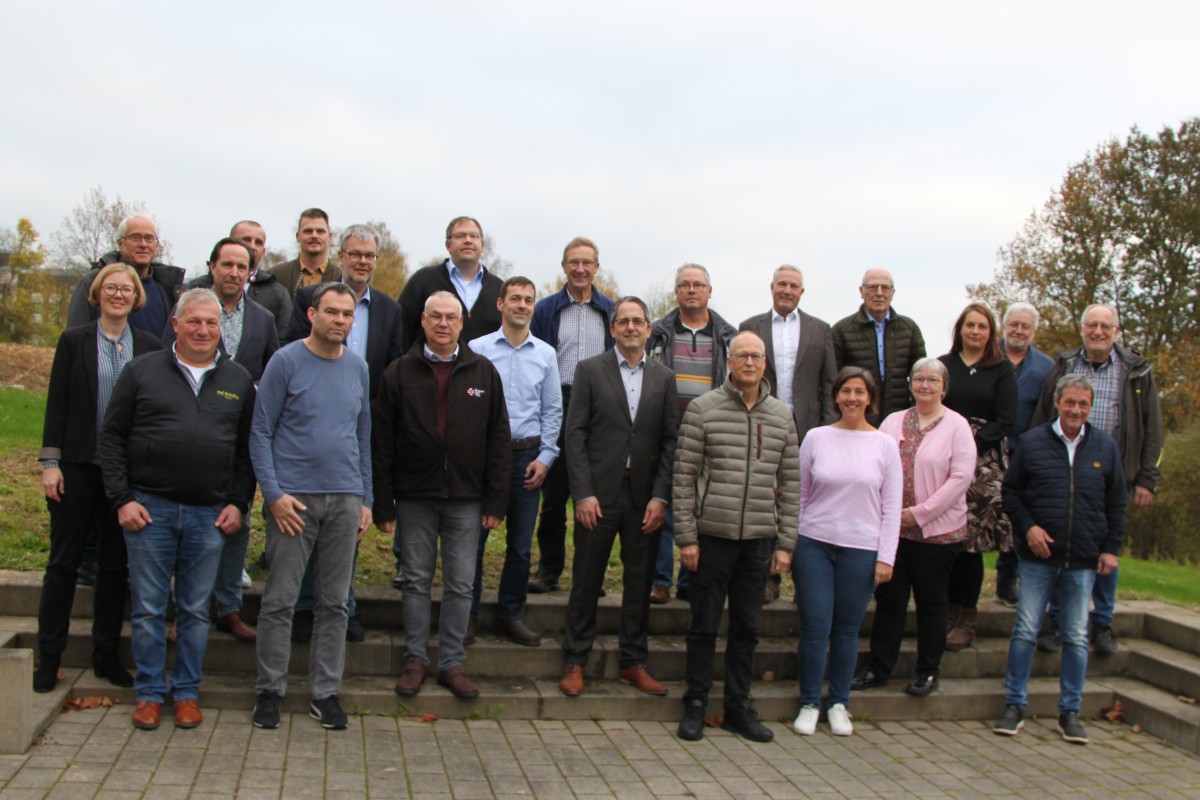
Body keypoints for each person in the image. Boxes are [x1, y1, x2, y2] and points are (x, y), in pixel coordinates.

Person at [98, 289, 256, 731]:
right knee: (149, 607)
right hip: (150, 510)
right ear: (176, 324)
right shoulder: (142, 371)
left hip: (210, 515)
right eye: (194, 322)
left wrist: (238, 503)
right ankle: (149, 693)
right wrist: (122, 499)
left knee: (194, 608)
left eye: (211, 323)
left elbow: (247, 452)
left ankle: (186, 693)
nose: (204, 330)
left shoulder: (238, 379)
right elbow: (110, 438)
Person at [250, 283, 373, 731]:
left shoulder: (358, 368)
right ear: (311, 314)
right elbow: (260, 432)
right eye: (331, 312)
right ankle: (270, 689)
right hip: (293, 501)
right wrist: (274, 494)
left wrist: (366, 498)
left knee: (334, 603)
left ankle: (325, 692)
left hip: (344, 498)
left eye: (347, 314)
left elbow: (363, 436)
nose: (339, 320)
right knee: (280, 600)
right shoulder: (285, 362)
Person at [375, 292, 510, 700]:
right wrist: (383, 502)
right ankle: (415, 660)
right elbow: (381, 442)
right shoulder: (398, 372)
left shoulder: (483, 373)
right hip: (414, 495)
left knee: (461, 583)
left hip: (467, 498)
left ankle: (451, 663)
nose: (443, 324)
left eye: (451, 317)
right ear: (423, 319)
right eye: (435, 316)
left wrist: (495, 501)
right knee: (415, 580)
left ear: (462, 322)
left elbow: (498, 440)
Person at [34, 264, 162, 693]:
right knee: (63, 562)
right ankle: (48, 658)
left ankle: (105, 655)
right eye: (111, 287)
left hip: (121, 473)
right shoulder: (74, 342)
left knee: (114, 565)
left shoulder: (148, 346)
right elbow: (57, 404)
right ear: (97, 292)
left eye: (127, 289)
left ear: (136, 297)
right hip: (75, 467)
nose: (118, 294)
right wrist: (50, 463)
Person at [279, 224, 405, 642]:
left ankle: (342, 605)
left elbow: (391, 370)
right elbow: (292, 351)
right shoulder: (309, 299)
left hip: (359, 424)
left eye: (370, 256)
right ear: (342, 255)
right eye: (355, 254)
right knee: (304, 522)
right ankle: (300, 607)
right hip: (309, 426)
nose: (362, 262)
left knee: (347, 526)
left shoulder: (389, 310)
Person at [672, 331, 799, 743]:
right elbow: (684, 476)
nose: (749, 362)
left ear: (765, 363)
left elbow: (792, 483)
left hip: (759, 539)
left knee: (746, 627)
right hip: (711, 537)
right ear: (728, 361)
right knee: (704, 624)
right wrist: (687, 537)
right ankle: (695, 703)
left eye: (756, 356)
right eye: (741, 355)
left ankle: (738, 707)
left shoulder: (782, 416)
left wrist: (785, 543)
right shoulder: (702, 410)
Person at [995, 374, 1127, 745]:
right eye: (1070, 402)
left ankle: (1070, 711)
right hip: (1038, 558)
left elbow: (1117, 503)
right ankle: (1014, 705)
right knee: (1025, 631)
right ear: (1057, 402)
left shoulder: (1104, 446)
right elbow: (1011, 493)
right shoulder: (1034, 442)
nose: (1076, 410)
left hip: (1083, 559)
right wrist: (1030, 529)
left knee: (1074, 635)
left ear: (1090, 406)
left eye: (1083, 404)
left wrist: (1111, 548)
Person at [558, 297, 679, 698]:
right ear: (612, 329)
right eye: (623, 321)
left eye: (638, 321)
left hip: (644, 497)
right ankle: (575, 660)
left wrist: (661, 496)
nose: (630, 327)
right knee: (586, 580)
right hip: (599, 495)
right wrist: (583, 494)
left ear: (648, 329)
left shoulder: (664, 378)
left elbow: (669, 442)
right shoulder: (590, 371)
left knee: (639, 581)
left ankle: (632, 661)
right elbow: (574, 435)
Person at [164, 238, 279, 644]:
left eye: (241, 266)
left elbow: (272, 370)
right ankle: (182, 611)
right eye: (226, 264)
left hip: (239, 432)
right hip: (191, 432)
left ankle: (228, 607)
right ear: (212, 267)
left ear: (251, 272)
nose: (233, 272)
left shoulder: (263, 319)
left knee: (237, 521)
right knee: (185, 524)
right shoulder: (189, 309)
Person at [1030, 303, 1162, 656]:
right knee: (1062, 546)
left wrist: (1147, 478)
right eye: (1093, 326)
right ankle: (1057, 623)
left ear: (1116, 331)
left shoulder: (1137, 371)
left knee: (1107, 548)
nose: (1099, 332)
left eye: (1106, 326)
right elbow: (1043, 416)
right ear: (1083, 329)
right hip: (1063, 469)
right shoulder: (1065, 366)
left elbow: (1154, 430)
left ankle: (1101, 623)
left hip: (1110, 474)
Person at [852, 358, 976, 697]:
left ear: (944, 387)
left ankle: (928, 672)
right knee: (889, 601)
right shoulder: (893, 421)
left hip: (936, 533)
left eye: (932, 380)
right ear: (910, 384)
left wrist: (920, 513)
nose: (924, 385)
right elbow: (874, 462)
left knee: (931, 603)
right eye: (918, 379)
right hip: (893, 531)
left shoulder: (957, 426)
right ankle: (878, 669)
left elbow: (961, 478)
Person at [792, 367, 901, 737]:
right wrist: (790, 544)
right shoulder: (816, 438)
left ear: (870, 398)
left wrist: (886, 557)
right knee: (814, 627)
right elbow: (800, 495)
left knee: (847, 630)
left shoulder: (885, 444)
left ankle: (839, 703)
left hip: (862, 548)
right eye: (846, 391)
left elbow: (891, 505)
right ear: (836, 396)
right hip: (815, 544)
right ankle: (809, 702)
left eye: (860, 392)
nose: (852, 398)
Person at [467, 277, 563, 646]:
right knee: (473, 543)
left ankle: (510, 613)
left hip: (527, 456)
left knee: (521, 546)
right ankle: (468, 616)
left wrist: (547, 457)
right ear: (501, 304)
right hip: (484, 459)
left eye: (528, 299)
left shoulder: (546, 354)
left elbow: (553, 410)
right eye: (515, 299)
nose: (522, 305)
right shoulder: (477, 349)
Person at [739, 264, 837, 602]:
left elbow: (828, 384)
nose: (787, 290)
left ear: (802, 292)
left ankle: (803, 579)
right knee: (766, 497)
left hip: (808, 427)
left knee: (804, 500)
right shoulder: (750, 327)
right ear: (771, 288)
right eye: (782, 284)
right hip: (762, 424)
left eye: (794, 285)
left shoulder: (821, 330)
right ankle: (769, 576)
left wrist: (827, 430)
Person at [527, 236, 615, 594]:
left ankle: (589, 574)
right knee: (555, 494)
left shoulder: (611, 311)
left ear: (597, 267)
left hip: (602, 406)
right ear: (564, 267)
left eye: (587, 263)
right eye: (573, 262)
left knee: (595, 493)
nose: (580, 269)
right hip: (558, 402)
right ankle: (549, 568)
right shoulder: (546, 310)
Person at [646, 264, 737, 604]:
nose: (691, 290)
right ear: (676, 292)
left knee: (700, 508)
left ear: (709, 291)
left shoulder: (728, 335)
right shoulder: (657, 332)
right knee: (662, 505)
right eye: (684, 285)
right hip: (665, 431)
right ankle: (659, 579)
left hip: (710, 432)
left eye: (698, 285)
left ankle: (690, 579)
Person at [937, 303, 1017, 651]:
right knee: (946, 541)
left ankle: (967, 619)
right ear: (960, 329)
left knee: (970, 544)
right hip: (941, 459)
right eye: (969, 325)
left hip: (983, 464)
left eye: (982, 326)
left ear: (990, 332)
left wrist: (968, 444)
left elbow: (1006, 419)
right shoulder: (945, 365)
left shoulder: (1001, 370)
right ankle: (948, 612)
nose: (975, 331)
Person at [994, 302, 1054, 605]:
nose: (1018, 330)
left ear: (1033, 331)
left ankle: (1006, 581)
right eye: (1013, 324)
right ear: (1004, 326)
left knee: (1016, 519)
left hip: (1024, 452)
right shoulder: (988, 356)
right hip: (986, 450)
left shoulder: (1046, 367)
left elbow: (1047, 412)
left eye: (1025, 326)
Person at [831, 268, 926, 426]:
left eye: (885, 287)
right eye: (873, 287)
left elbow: (921, 375)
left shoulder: (909, 329)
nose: (879, 293)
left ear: (893, 293)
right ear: (862, 292)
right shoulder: (841, 330)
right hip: (856, 420)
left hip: (899, 421)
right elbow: (834, 380)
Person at [397, 216, 503, 352]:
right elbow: (401, 332)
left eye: (474, 236)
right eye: (460, 236)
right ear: (448, 245)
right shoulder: (422, 281)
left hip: (483, 372)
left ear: (482, 245)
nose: (468, 240)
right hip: (429, 370)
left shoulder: (499, 290)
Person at [65, 214, 185, 335]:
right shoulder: (95, 281)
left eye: (149, 238)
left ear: (156, 245)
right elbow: (75, 338)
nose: (143, 244)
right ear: (121, 244)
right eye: (135, 237)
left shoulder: (167, 287)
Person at [230, 220, 291, 337]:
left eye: (258, 242)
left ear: (263, 252)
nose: (252, 246)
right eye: (246, 240)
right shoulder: (202, 287)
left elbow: (283, 340)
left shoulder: (278, 293)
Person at [269, 209, 340, 297]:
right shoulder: (275, 276)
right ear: (297, 236)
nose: (314, 235)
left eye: (320, 231)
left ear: (329, 237)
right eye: (308, 231)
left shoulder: (342, 278)